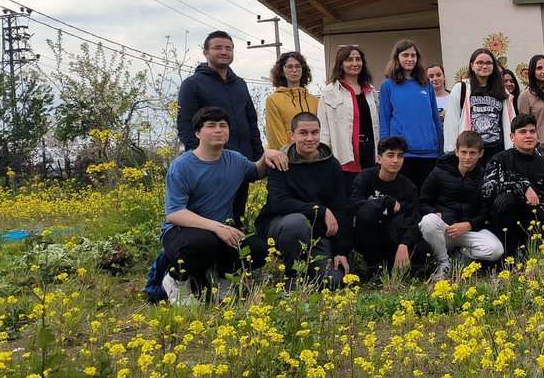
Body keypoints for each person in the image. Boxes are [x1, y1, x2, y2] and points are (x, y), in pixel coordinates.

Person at [160, 107, 288, 305]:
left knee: (258, 249)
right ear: (197, 133)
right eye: (211, 126)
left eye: (223, 126)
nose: (218, 130)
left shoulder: (234, 159)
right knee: (202, 242)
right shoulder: (182, 166)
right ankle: (177, 282)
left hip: (222, 231)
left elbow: (256, 172)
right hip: (182, 232)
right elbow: (175, 213)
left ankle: (223, 280)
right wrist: (216, 227)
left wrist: (267, 155)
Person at [254, 112, 351, 290]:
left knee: (334, 281)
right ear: (292, 135)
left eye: (314, 132)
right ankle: (293, 277)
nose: (310, 138)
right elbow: (279, 202)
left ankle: (308, 270)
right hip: (280, 225)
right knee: (297, 222)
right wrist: (320, 210)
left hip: (317, 233)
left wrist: (340, 251)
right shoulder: (280, 162)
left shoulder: (331, 164)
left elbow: (339, 208)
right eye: (303, 133)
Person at [419, 131, 504, 281]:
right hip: (444, 229)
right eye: (464, 152)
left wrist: (469, 225)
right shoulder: (439, 171)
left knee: (496, 250)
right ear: (456, 152)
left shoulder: (486, 177)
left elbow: (486, 212)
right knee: (428, 221)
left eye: (472, 153)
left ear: (480, 153)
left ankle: (460, 255)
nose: (467, 157)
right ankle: (444, 262)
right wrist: (434, 211)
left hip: (467, 230)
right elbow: (422, 202)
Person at [481, 114, 544, 256]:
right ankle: (509, 258)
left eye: (532, 132)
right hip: (506, 220)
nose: (528, 136)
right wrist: (522, 187)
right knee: (506, 200)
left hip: (536, 216)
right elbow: (487, 190)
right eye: (523, 132)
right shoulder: (499, 160)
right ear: (512, 137)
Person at [177, 31, 263, 163]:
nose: (224, 52)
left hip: (244, 162)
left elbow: (251, 121)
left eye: (228, 48)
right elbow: (186, 125)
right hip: (211, 163)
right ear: (206, 53)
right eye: (217, 48)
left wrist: (258, 157)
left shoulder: (240, 84)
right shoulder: (192, 84)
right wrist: (199, 160)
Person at [348, 135, 422, 277]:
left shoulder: (408, 186)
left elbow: (415, 219)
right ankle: (373, 265)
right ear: (379, 158)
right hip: (368, 237)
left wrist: (404, 244)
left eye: (400, 156)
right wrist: (385, 202)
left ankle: (397, 265)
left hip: (395, 238)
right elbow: (352, 206)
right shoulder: (366, 177)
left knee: (423, 249)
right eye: (390, 155)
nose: (395, 160)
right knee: (367, 211)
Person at [378, 40, 443, 191]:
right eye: (405, 55)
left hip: (429, 152)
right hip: (402, 154)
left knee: (427, 197)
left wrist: (440, 148)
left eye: (413, 55)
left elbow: (435, 117)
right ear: (397, 57)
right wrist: (384, 151)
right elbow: (384, 121)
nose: (410, 59)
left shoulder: (426, 83)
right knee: (406, 198)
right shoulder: (388, 85)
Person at [318, 44, 380, 196]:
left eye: (358, 59)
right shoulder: (330, 91)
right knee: (348, 202)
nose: (354, 63)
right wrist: (323, 157)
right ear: (340, 64)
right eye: (349, 60)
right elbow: (324, 129)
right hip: (345, 155)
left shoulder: (370, 90)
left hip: (370, 152)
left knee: (370, 200)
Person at [443, 48, 515, 166]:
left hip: (497, 150)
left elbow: (510, 121)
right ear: (472, 65)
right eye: (480, 63)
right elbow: (451, 122)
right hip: (471, 152)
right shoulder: (461, 88)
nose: (484, 66)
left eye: (488, 63)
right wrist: (451, 152)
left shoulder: (502, 91)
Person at [264, 51, 319, 152]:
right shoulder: (273, 100)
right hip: (288, 160)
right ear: (282, 71)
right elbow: (276, 135)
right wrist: (290, 157)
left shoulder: (315, 101)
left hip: (313, 157)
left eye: (298, 66)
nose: (294, 70)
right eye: (289, 67)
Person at [517, 54, 544, 160]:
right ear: (533, 71)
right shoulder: (525, 96)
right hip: (538, 150)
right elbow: (524, 125)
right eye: (539, 68)